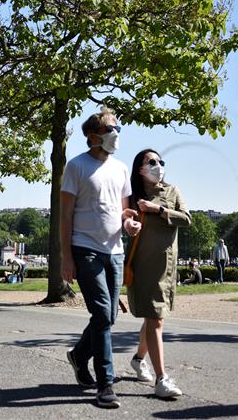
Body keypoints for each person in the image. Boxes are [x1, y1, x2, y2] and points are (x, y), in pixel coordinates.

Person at [61, 108, 141, 409]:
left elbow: (123, 212)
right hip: (85, 249)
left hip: (115, 251)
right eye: (111, 128)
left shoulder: (120, 169)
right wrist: (66, 258)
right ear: (94, 137)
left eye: (117, 128)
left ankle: (79, 356)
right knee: (101, 315)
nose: (116, 133)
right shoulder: (76, 167)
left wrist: (129, 223)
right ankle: (105, 384)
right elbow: (65, 217)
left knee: (109, 316)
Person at [125, 149, 191, 399]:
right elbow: (123, 220)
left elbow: (187, 219)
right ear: (140, 168)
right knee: (155, 318)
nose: (158, 166)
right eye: (151, 162)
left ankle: (138, 358)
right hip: (143, 264)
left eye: (161, 162)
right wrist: (129, 224)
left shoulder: (172, 191)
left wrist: (159, 210)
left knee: (155, 318)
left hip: (167, 265)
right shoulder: (131, 196)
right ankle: (162, 379)